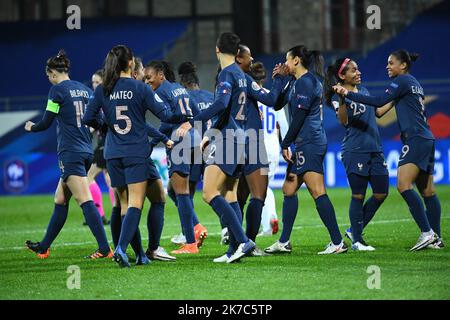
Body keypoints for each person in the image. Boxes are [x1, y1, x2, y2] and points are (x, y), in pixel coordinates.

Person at [83, 45, 189, 267]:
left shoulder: (103, 89)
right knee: (136, 204)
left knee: (123, 205)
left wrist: (104, 125)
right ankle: (121, 249)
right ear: (130, 62)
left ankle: (139, 253)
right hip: (135, 152)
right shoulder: (140, 88)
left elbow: (87, 118)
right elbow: (166, 114)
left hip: (112, 153)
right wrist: (186, 113)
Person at [333, 50, 443, 250]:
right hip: (422, 138)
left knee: (400, 186)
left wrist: (349, 93)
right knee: (427, 191)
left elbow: (377, 103)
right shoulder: (413, 83)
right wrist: (344, 97)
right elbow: (368, 114)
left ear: (403, 66)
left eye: (391, 63)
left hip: (413, 139)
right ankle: (436, 238)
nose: (387, 66)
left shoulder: (399, 82)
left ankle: (427, 233)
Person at [25, 50, 112, 260]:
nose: (49, 80)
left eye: (48, 76)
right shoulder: (84, 90)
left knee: (85, 200)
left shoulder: (57, 91)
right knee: (61, 198)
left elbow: (46, 121)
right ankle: (44, 246)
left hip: (70, 152)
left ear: (53, 73)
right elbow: (98, 120)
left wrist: (32, 127)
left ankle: (104, 248)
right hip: (85, 151)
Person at [176, 32, 256, 263]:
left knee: (209, 193)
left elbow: (221, 104)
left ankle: (242, 241)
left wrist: (194, 121)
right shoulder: (241, 75)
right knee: (229, 194)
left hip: (229, 140)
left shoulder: (226, 74)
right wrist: (209, 135)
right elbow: (227, 109)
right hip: (240, 139)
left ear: (217, 49)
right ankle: (234, 250)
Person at [264, 45, 348, 255]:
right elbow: (275, 104)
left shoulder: (307, 82)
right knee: (289, 189)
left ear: (296, 60)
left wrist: (285, 143)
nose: (284, 63)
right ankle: (284, 242)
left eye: (287, 59)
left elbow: (300, 117)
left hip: (310, 142)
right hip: (303, 143)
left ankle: (337, 242)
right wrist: (280, 79)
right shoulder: (295, 82)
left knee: (317, 190)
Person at [324, 58, 394, 251]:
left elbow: (378, 112)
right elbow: (344, 121)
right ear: (342, 75)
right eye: (353, 70)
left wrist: (396, 98)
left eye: (358, 69)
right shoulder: (337, 97)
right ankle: (357, 240)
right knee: (358, 195)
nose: (358, 72)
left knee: (381, 192)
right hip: (355, 151)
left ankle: (354, 230)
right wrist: (345, 98)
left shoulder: (364, 91)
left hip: (375, 149)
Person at [144, 60, 206, 255]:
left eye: (149, 77)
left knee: (181, 192)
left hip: (179, 141)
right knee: (176, 189)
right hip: (194, 140)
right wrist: (191, 124)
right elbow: (197, 112)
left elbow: (168, 118)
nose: (147, 81)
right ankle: (195, 228)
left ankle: (190, 243)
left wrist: (153, 141)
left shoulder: (160, 92)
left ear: (161, 75)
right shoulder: (179, 88)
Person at [171, 61, 230, 245]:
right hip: (214, 146)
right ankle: (226, 228)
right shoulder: (211, 97)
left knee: (181, 192)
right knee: (217, 191)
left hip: (194, 149)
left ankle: (189, 229)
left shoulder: (185, 98)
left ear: (183, 83)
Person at [250, 61, 289, 237]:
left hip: (258, 144)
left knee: (258, 188)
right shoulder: (272, 96)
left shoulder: (250, 96)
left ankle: (269, 220)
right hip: (274, 145)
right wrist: (286, 145)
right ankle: (268, 223)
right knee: (265, 185)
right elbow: (284, 124)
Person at [83, 69, 111, 226]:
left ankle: (99, 214)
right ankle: (116, 213)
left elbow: (99, 121)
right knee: (110, 179)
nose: (94, 85)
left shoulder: (102, 98)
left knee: (89, 175)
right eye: (93, 82)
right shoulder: (101, 97)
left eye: (97, 82)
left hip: (106, 143)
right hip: (107, 142)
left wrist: (89, 130)